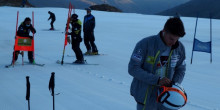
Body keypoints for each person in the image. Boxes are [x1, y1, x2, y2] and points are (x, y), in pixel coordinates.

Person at [128, 17, 186, 110]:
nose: (174, 42)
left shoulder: (179, 48)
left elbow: (181, 69)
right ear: (164, 31)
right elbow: (133, 68)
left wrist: (173, 85)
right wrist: (157, 80)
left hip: (168, 98)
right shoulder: (145, 44)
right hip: (146, 97)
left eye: (177, 39)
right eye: (171, 38)